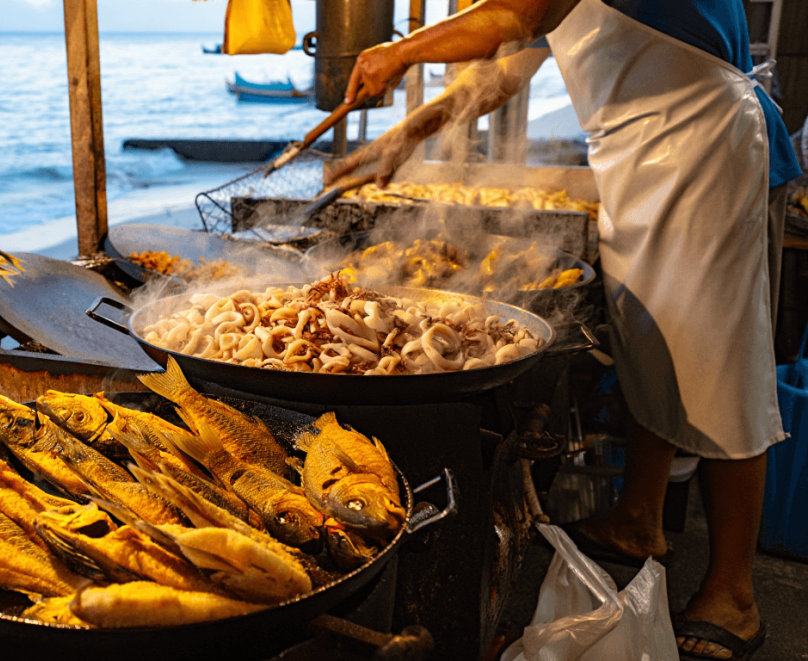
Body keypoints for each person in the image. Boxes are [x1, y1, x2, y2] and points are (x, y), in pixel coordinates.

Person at [328, 1, 801, 659]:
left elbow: (519, 15)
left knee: (722, 361)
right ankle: (638, 519)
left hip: (701, 143)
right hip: (640, 152)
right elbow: (508, 70)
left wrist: (399, 53)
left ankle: (736, 593)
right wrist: (411, 131)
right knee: (655, 340)